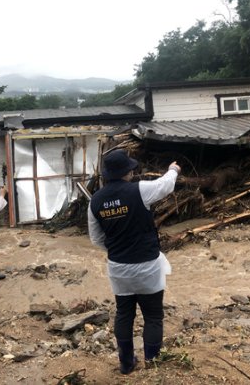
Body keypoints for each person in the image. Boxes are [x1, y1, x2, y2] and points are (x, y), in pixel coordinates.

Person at [88, 149, 180, 374]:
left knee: (124, 314)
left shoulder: (95, 202)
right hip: (147, 265)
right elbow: (165, 185)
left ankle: (126, 364)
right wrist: (173, 170)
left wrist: (118, 249)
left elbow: (96, 239)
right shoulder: (139, 190)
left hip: (119, 268)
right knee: (153, 316)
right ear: (127, 172)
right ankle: (153, 363)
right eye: (131, 169)